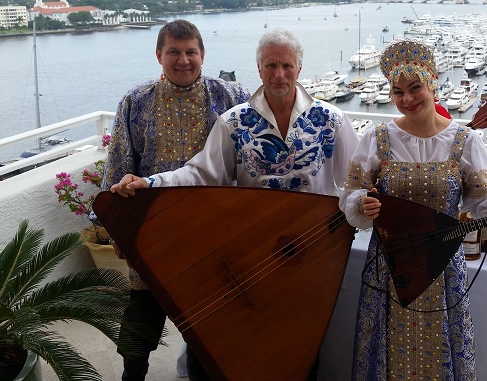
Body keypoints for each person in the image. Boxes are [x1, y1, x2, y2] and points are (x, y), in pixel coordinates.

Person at [110, 27, 360, 379]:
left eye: (287, 65)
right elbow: (200, 174)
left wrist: (361, 211)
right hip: (253, 250)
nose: (279, 74)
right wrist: (149, 183)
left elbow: (357, 180)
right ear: (258, 69)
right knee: (251, 338)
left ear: (299, 69)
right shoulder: (236, 122)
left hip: (313, 251)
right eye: (271, 65)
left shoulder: (331, 120)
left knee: (303, 343)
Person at [339, 39, 487, 381]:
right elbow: (350, 194)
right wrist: (362, 204)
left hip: (442, 268)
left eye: (415, 88)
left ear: (433, 81)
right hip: (390, 265)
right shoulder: (377, 138)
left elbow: (484, 202)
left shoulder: (464, 140)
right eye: (397, 91)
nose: (407, 99)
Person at [101, 19, 250, 381]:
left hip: (211, 231)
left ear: (202, 54)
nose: (183, 60)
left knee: (204, 329)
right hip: (152, 230)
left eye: (190, 52)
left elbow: (255, 158)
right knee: (140, 320)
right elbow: (119, 165)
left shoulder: (229, 97)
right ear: (159, 55)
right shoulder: (136, 101)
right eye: (174, 52)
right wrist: (119, 230)